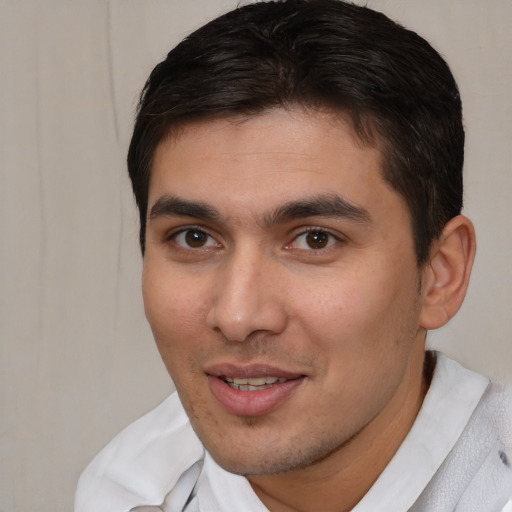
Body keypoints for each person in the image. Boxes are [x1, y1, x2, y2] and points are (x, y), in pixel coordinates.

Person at [75, 1, 512, 510]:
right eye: (195, 237)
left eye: (315, 240)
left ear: (440, 275)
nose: (237, 316)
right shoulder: (127, 490)